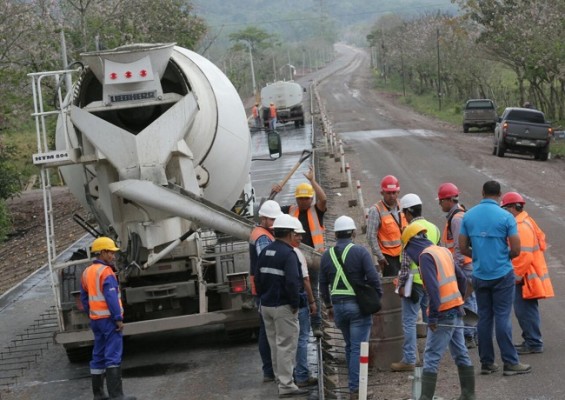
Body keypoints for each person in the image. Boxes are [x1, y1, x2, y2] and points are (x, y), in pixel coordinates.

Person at [459, 180, 531, 376]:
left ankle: (487, 363)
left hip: (480, 274)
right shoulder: (506, 217)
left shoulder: (469, 216)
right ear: (499, 195)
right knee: (502, 317)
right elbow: (516, 249)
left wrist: (478, 255)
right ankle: (510, 362)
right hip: (501, 274)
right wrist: (502, 256)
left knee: (484, 318)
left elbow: (463, 247)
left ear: (482, 192)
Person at [401, 223, 474, 400]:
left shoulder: (425, 256)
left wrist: (432, 317)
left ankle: (425, 397)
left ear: (411, 243)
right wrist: (459, 301)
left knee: (431, 356)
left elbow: (433, 289)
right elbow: (462, 279)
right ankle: (468, 394)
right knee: (460, 352)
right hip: (456, 310)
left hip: (443, 313)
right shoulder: (442, 250)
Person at [320, 216, 382, 400]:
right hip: (357, 308)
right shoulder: (360, 252)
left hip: (338, 308)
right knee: (357, 348)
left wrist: (328, 305)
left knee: (349, 347)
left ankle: (353, 385)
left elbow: (322, 285)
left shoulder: (326, 255)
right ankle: (356, 390)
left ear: (335, 234)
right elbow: (373, 278)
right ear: (353, 232)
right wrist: (377, 297)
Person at [255, 214, 309, 398]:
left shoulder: (265, 252)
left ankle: (281, 380)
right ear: (288, 234)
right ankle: (286, 385)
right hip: (283, 306)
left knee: (275, 345)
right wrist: (295, 304)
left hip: (267, 305)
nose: (300, 238)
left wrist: (263, 298)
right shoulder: (289, 254)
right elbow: (293, 283)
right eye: (298, 234)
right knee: (286, 345)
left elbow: (258, 279)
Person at [273, 164, 327, 338]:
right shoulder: (289, 211)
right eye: (301, 199)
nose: (303, 201)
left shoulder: (316, 211)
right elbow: (270, 210)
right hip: (294, 257)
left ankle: (316, 324)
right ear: (296, 199)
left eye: (306, 198)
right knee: (297, 289)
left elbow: (324, 199)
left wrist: (312, 181)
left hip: (313, 258)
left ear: (311, 199)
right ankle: (299, 324)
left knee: (314, 290)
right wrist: (275, 192)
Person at [80, 237, 136, 400]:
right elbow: (111, 297)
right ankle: (116, 395)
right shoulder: (106, 272)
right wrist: (118, 318)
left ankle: (99, 395)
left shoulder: (86, 272)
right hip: (109, 320)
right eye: (110, 252)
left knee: (98, 354)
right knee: (113, 354)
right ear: (102, 252)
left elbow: (84, 298)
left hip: (96, 320)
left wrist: (92, 314)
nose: (113, 255)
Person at [391, 193, 440, 372]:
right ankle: (432, 356)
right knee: (430, 319)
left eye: (404, 213)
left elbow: (405, 263)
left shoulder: (409, 230)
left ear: (408, 212)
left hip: (414, 283)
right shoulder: (434, 228)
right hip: (431, 281)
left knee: (409, 322)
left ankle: (410, 359)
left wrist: (400, 286)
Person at [500, 192, 554, 354]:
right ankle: (531, 339)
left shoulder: (520, 226)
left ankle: (533, 342)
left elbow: (523, 255)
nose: (503, 212)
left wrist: (514, 277)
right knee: (526, 310)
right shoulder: (525, 221)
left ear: (512, 208)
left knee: (525, 310)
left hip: (524, 276)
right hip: (528, 275)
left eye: (505, 208)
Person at [437, 182, 478, 349]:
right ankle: (471, 334)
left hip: (464, 266)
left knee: (467, 299)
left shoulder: (457, 219)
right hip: (466, 265)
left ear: (449, 200)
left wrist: (456, 267)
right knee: (468, 299)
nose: (439, 204)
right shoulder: (459, 216)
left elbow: (460, 247)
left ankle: (469, 335)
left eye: (441, 201)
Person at [248, 200, 283, 382]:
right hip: (265, 290)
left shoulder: (262, 233)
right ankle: (270, 370)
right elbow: (267, 264)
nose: (274, 223)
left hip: (262, 289)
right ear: (263, 218)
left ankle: (269, 370)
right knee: (269, 331)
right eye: (271, 220)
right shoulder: (262, 237)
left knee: (266, 329)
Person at [289, 217, 318, 388]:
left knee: (285, 342)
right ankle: (301, 375)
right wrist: (312, 301)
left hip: (282, 304)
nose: (300, 238)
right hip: (298, 302)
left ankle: (289, 375)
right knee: (302, 339)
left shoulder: (276, 251)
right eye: (297, 235)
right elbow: (306, 281)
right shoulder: (296, 254)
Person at [367, 175, 407, 276]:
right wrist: (380, 257)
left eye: (394, 193)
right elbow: (371, 236)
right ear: (382, 193)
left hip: (405, 254)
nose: (392, 196)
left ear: (398, 192)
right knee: (393, 288)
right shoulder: (375, 210)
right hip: (389, 258)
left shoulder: (403, 205)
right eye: (388, 193)